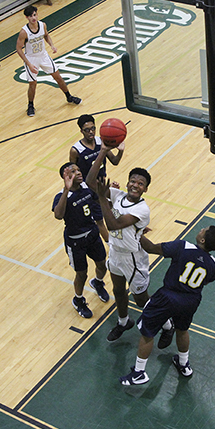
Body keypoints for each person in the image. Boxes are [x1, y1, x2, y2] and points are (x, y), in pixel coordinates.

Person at [119, 226, 215, 385]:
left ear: (202, 240)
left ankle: (139, 372)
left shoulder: (182, 247)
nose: (201, 229)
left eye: (204, 230)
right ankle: (184, 364)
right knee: (182, 330)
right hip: (191, 301)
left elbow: (150, 248)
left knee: (147, 334)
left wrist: (137, 232)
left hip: (168, 297)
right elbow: (207, 281)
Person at [87, 148, 171, 343]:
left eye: (140, 183)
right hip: (115, 252)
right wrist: (103, 152)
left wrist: (102, 198)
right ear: (127, 182)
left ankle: (167, 324)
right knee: (117, 290)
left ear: (145, 189)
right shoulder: (118, 196)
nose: (135, 185)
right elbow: (91, 182)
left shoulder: (142, 209)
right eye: (133, 181)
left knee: (141, 300)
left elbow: (113, 224)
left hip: (133, 257)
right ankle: (123, 321)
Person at [53, 163, 111, 318]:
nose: (78, 172)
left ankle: (98, 282)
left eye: (78, 169)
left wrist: (105, 195)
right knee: (81, 273)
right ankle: (78, 300)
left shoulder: (86, 188)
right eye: (73, 171)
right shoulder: (61, 196)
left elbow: (98, 201)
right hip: (75, 241)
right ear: (65, 178)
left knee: (102, 264)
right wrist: (66, 189)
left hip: (92, 234)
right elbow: (58, 215)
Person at [16, 5, 81, 117]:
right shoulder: (24, 32)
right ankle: (30, 105)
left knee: (58, 77)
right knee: (33, 84)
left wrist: (52, 45)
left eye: (35, 15)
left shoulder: (43, 25)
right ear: (27, 17)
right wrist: (29, 64)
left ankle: (69, 96)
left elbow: (46, 35)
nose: (33, 18)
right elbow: (18, 49)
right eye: (31, 16)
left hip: (43, 56)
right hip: (31, 58)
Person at [70, 114, 124, 241]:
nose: (91, 132)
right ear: (81, 131)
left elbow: (115, 161)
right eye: (87, 130)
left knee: (113, 210)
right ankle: (110, 245)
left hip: (101, 185)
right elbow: (72, 172)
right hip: (88, 188)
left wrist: (120, 151)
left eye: (93, 128)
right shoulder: (76, 150)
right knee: (99, 220)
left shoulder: (101, 141)